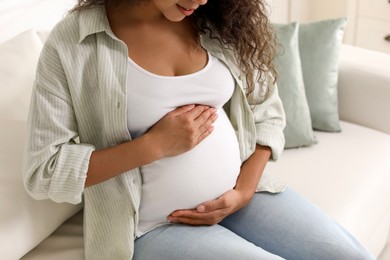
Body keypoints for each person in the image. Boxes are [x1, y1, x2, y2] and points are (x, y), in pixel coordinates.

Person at [23, 0, 375, 259]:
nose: (200, 0)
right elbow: (44, 170)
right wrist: (153, 146)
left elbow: (267, 109)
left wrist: (243, 192)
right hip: (153, 227)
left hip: (238, 199)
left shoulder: (217, 19)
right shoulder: (75, 41)